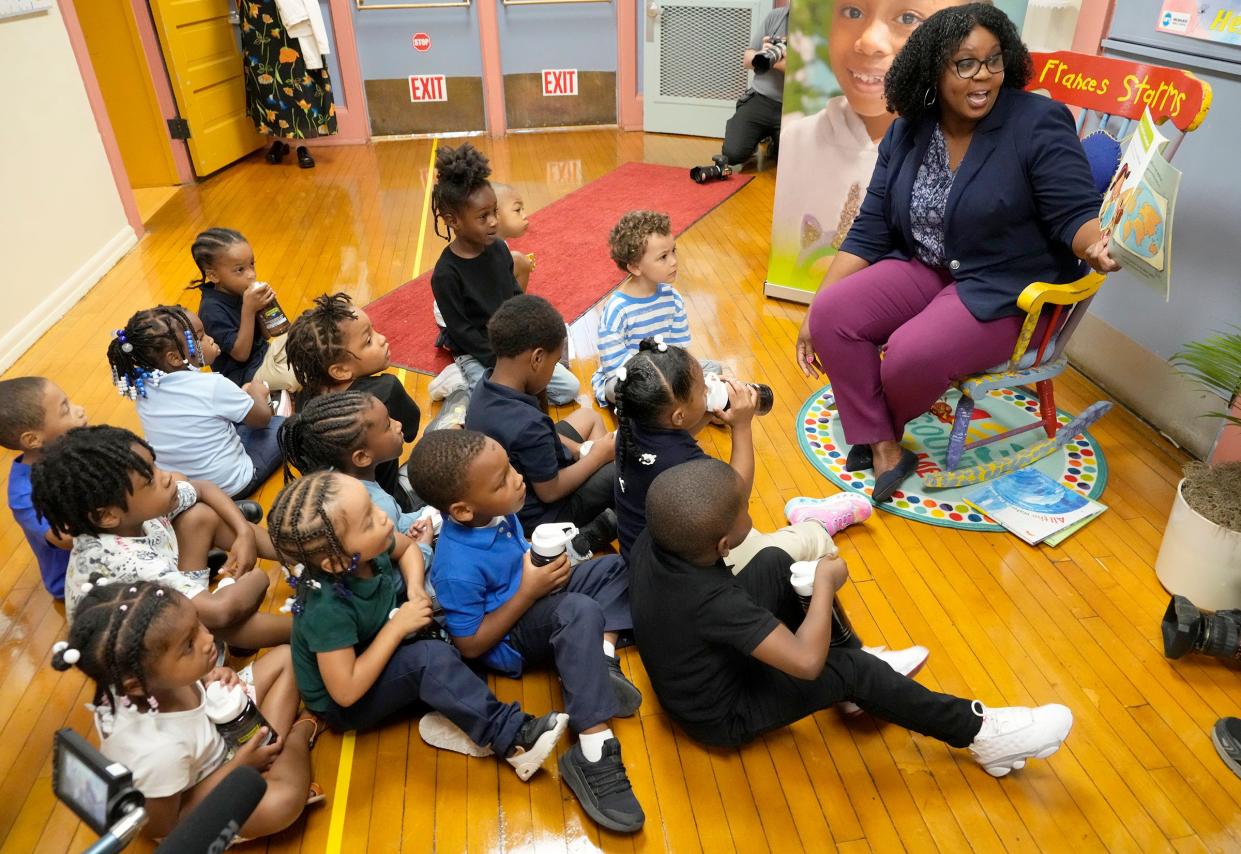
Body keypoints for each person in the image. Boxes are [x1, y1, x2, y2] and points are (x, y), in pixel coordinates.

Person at [794, 3, 1119, 502]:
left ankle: (877, 425)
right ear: (933, 68)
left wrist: (1093, 245)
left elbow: (1072, 212)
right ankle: (884, 443)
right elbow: (871, 227)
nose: (983, 76)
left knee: (910, 355)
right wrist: (814, 309)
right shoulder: (908, 129)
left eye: (994, 61)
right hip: (929, 266)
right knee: (832, 314)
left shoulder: (1036, 122)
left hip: (1005, 285)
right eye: (965, 64)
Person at [629, 458, 1075, 775]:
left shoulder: (660, 535)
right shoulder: (714, 602)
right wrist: (824, 585)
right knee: (846, 667)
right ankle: (983, 735)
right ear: (723, 545)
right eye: (743, 510)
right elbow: (805, 662)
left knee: (770, 562)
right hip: (721, 715)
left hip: (691, 671)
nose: (749, 509)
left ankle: (859, 685)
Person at [408, 429, 646, 834]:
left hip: (530, 600)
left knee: (615, 567)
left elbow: (518, 562)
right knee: (579, 611)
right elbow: (471, 645)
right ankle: (592, 748)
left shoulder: (499, 513)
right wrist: (529, 589)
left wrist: (543, 569)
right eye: (502, 480)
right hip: (507, 639)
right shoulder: (456, 564)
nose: (518, 478)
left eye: (511, 468)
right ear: (463, 511)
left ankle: (602, 660)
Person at [267, 471, 570, 777]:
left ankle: (456, 718)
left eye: (372, 507)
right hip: (345, 704)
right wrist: (397, 628)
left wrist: (415, 588)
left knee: (451, 642)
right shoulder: (327, 608)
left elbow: (408, 549)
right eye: (369, 521)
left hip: (377, 651)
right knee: (430, 660)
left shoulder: (367, 550)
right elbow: (345, 691)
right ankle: (514, 739)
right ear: (337, 563)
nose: (383, 518)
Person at [50, 580, 321, 841]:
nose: (208, 639)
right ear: (136, 686)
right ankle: (300, 733)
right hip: (200, 795)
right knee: (281, 804)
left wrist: (213, 675)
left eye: (198, 622)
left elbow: (193, 679)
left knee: (286, 658)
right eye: (189, 645)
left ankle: (270, 754)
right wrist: (240, 766)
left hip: (219, 741)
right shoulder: (156, 752)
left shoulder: (150, 680)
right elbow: (167, 825)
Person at [769, 0, 974, 292]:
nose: (868, 42)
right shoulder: (797, 139)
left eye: (907, 17)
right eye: (853, 12)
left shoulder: (958, 154)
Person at [612, 339, 870, 568]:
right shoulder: (684, 466)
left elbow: (675, 435)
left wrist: (707, 413)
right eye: (703, 391)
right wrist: (742, 426)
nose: (709, 389)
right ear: (679, 416)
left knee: (749, 535)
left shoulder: (632, 423)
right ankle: (817, 525)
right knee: (796, 544)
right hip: (677, 575)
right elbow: (737, 495)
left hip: (644, 557)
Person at [31, 425, 289, 650]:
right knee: (223, 617)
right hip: (162, 668)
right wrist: (255, 578)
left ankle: (297, 554)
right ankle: (306, 629)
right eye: (149, 480)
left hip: (168, 608)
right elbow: (219, 613)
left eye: (154, 466)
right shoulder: (123, 561)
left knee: (198, 517)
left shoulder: (130, 515)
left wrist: (244, 534)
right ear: (106, 515)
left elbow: (203, 488)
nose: (166, 476)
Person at [465, 295, 617, 560]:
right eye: (555, 361)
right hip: (543, 514)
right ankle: (590, 524)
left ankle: (601, 495)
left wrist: (581, 449)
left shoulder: (487, 384)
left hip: (523, 480)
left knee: (589, 417)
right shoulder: (528, 424)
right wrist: (598, 456)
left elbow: (540, 436)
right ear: (536, 359)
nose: (554, 368)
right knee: (618, 467)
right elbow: (550, 491)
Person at [428, 144, 580, 406]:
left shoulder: (499, 249)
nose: (494, 222)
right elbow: (463, 332)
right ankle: (456, 381)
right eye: (483, 217)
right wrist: (503, 363)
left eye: (495, 212)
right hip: (476, 353)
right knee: (493, 403)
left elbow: (515, 298)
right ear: (453, 221)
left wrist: (527, 344)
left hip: (510, 345)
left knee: (569, 388)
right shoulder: (445, 274)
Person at [110, 305, 283, 500]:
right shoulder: (212, 385)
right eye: (199, 337)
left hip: (186, 488)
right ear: (175, 358)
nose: (210, 339)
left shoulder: (143, 388)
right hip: (232, 485)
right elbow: (262, 419)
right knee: (282, 425)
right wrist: (257, 393)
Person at [285, 292, 420, 508]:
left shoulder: (305, 399)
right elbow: (409, 432)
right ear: (340, 371)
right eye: (368, 340)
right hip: (392, 504)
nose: (382, 338)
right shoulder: (384, 392)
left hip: (345, 510)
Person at [278, 391, 436, 566]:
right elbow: (390, 578)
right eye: (387, 425)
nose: (398, 425)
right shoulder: (380, 508)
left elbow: (397, 528)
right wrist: (423, 549)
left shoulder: (335, 476)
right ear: (361, 457)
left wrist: (423, 517)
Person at [590, 210, 722, 404]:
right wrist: (656, 380)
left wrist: (673, 375)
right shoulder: (617, 310)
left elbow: (679, 351)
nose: (674, 261)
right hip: (630, 377)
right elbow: (615, 366)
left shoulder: (673, 298)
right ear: (635, 267)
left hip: (665, 373)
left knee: (713, 368)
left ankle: (673, 402)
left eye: (673, 251)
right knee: (613, 389)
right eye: (663, 257)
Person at [0, 377, 88, 598]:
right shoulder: (23, 494)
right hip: (76, 579)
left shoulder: (74, 449)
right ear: (32, 439)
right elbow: (66, 538)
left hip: (114, 549)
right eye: (65, 409)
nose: (79, 410)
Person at [188, 227, 299, 391]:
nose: (251, 275)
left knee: (303, 338)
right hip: (244, 375)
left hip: (265, 355)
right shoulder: (211, 310)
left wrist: (264, 308)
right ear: (213, 276)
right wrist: (249, 309)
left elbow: (267, 336)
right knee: (295, 376)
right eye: (240, 269)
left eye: (252, 264)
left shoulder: (240, 290)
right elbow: (241, 354)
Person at [239, 0, 336, 168]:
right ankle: (278, 140)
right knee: (266, 81)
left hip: (287, 11)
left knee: (296, 76)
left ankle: (301, 144)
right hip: (254, 15)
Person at [719, 3, 789, 169]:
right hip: (760, 99)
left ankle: (773, 141)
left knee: (790, 163)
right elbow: (747, 59)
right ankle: (762, 135)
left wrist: (775, 61)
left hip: (792, 107)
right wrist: (763, 54)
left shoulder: (821, 25)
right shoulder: (776, 16)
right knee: (733, 153)